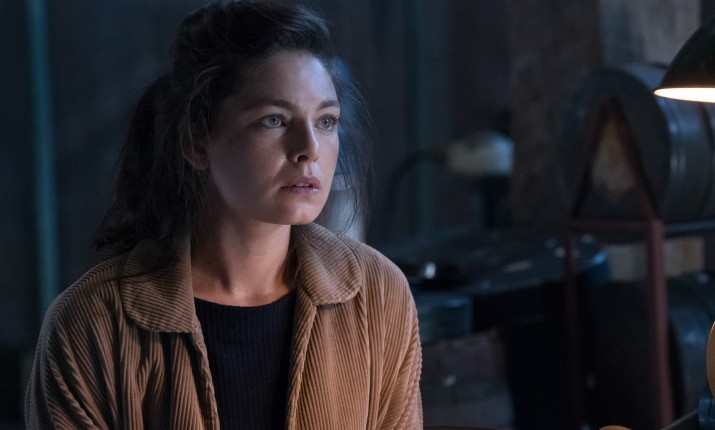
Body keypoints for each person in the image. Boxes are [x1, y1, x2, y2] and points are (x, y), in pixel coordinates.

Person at [24, 1, 423, 429]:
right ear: (197, 141)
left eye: (326, 121)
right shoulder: (91, 324)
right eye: (274, 120)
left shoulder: (378, 296)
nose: (309, 148)